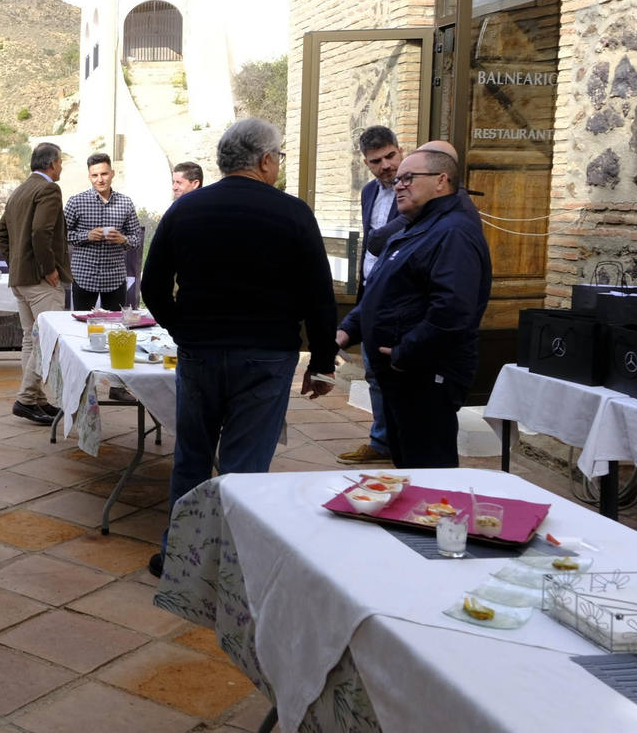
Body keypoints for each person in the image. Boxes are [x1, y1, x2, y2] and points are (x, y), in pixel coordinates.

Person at [142, 119, 339, 578]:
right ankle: (232, 565)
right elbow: (319, 296)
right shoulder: (292, 213)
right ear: (266, 160)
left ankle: (180, 558)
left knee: (191, 457)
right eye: (279, 158)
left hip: (200, 351)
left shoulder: (184, 210)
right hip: (267, 355)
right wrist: (322, 362)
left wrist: (183, 329)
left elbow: (152, 285)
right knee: (244, 465)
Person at [337, 148, 491, 469]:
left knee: (428, 473)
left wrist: (404, 353)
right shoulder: (416, 225)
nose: (398, 185)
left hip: (424, 375)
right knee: (407, 466)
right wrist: (348, 329)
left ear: (441, 181)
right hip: (403, 375)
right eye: (398, 180)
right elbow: (383, 290)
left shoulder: (453, 231)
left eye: (408, 178)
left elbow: (451, 311)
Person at [337, 126, 403, 466]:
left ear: (400, 151)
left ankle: (404, 446)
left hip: (401, 297)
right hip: (371, 294)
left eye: (390, 156)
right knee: (373, 372)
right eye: (376, 161)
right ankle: (382, 442)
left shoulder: (414, 189)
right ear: (366, 163)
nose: (386, 166)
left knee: (400, 374)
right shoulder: (368, 192)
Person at [0, 142, 71, 425]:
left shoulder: (20, 190)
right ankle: (27, 399)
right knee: (48, 339)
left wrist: (17, 262)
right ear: (52, 164)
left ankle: (36, 399)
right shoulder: (49, 189)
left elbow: (0, 233)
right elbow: (41, 231)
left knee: (31, 338)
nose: (61, 167)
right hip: (40, 281)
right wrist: (48, 268)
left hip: (21, 279)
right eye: (60, 162)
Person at [64, 153, 141, 312]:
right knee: (82, 323)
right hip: (84, 276)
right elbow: (60, 236)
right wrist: (86, 236)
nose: (100, 179)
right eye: (95, 175)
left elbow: (136, 239)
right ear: (89, 177)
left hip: (115, 278)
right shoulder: (76, 201)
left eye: (104, 174)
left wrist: (123, 239)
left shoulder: (125, 203)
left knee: (115, 324)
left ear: (112, 173)